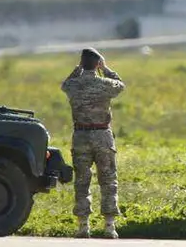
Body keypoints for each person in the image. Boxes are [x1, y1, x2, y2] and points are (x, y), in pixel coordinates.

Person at [61, 47, 125, 239]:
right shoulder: (105, 84)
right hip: (103, 135)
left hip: (81, 135)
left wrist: (77, 70)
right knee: (108, 180)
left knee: (82, 181)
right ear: (97, 64)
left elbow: (64, 84)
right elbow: (121, 85)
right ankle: (109, 226)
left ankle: (83, 226)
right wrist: (105, 68)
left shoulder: (73, 85)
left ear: (81, 64)